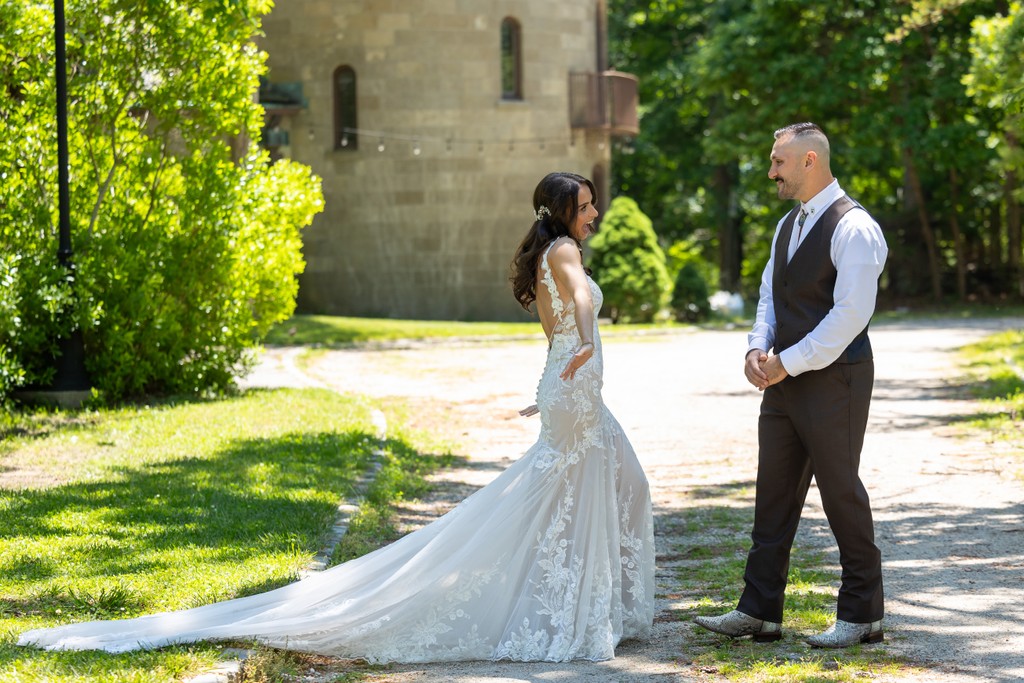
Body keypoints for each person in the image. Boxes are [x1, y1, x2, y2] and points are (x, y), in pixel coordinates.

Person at [18, 171, 655, 662]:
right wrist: (585, 352)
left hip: (571, 393)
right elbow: (578, 307)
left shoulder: (551, 251)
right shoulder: (566, 252)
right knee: (574, 492)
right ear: (568, 211)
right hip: (574, 392)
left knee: (602, 487)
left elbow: (555, 332)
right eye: (589, 204)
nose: (595, 212)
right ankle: (565, 613)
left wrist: (558, 376)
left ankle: (587, 607)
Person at [693, 123, 888, 649]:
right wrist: (757, 349)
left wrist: (788, 362)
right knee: (773, 494)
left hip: (837, 379)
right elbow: (768, 298)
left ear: (809, 161)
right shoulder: (786, 226)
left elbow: (851, 315)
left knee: (840, 491)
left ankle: (863, 614)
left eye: (778, 161)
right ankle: (759, 612)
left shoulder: (856, 228)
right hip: (783, 379)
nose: (771, 170)